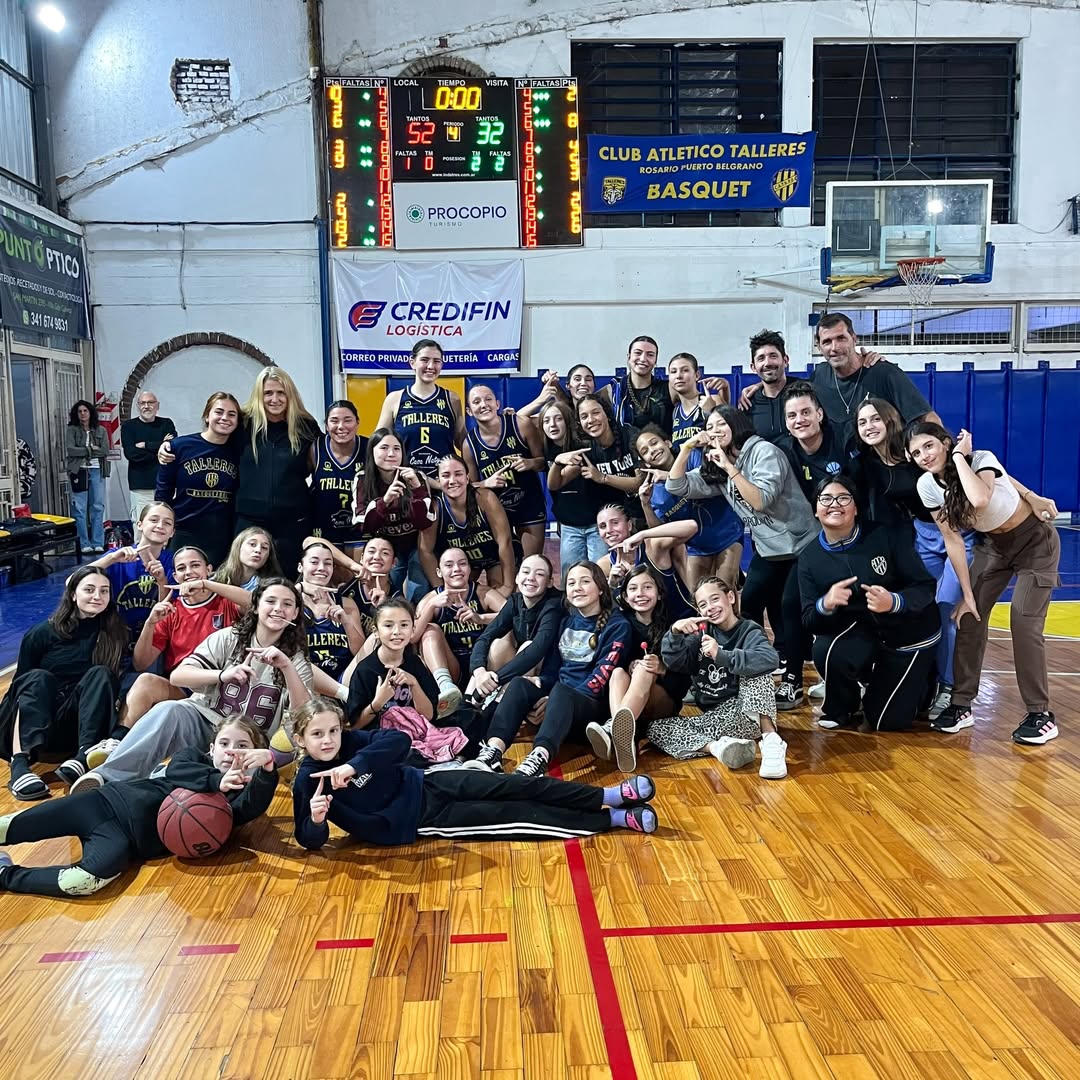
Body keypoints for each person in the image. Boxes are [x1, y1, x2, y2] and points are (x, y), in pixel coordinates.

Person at [292, 697, 660, 849]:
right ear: (300, 739)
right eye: (317, 735)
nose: (328, 740)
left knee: (516, 785)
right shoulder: (307, 781)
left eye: (333, 731)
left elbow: (398, 741)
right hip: (422, 819)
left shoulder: (351, 743)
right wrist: (317, 820)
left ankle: (607, 795)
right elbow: (308, 839)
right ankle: (612, 819)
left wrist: (354, 764)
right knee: (517, 815)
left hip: (429, 781)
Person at [69, 578, 313, 792]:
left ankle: (152, 782)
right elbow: (179, 676)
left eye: (287, 604)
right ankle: (105, 777)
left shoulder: (296, 660)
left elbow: (305, 715)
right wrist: (222, 675)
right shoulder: (228, 638)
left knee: (210, 787)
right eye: (271, 601)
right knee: (170, 710)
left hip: (249, 742)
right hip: (206, 722)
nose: (278, 609)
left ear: (295, 614)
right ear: (256, 606)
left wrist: (286, 667)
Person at [0, 717, 279, 898]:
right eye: (224, 743)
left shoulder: (233, 800)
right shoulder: (193, 759)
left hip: (123, 841)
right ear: (211, 748)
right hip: (100, 803)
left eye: (243, 746)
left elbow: (250, 807)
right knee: (7, 827)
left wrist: (267, 770)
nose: (231, 750)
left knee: (83, 882)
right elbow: (178, 770)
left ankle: (6, 875)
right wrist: (216, 781)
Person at [909, 424, 1061, 744]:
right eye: (916, 452)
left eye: (929, 446)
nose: (924, 456)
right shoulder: (927, 485)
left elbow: (980, 498)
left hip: (1035, 542)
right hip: (992, 547)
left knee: (1024, 624)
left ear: (946, 443)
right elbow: (952, 539)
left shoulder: (979, 459)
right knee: (968, 616)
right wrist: (967, 594)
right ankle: (961, 704)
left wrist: (959, 457)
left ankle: (1040, 714)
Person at [666, 407, 819, 710]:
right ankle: (741, 669)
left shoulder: (763, 452)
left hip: (803, 545)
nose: (715, 430)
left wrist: (729, 467)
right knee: (747, 602)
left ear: (736, 424)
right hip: (769, 550)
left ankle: (793, 680)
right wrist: (686, 449)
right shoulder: (716, 464)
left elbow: (760, 500)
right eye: (710, 426)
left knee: (790, 605)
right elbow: (676, 486)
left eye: (721, 424)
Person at [853, 398, 974, 718]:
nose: (869, 426)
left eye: (875, 419)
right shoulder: (867, 462)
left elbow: (980, 475)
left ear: (890, 419)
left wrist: (1030, 497)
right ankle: (923, 683)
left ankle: (948, 687)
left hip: (957, 534)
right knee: (922, 607)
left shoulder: (916, 451)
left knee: (945, 610)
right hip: (922, 537)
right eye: (862, 422)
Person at [799, 476, 941, 732]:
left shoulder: (885, 535)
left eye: (843, 498)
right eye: (826, 499)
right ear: (815, 510)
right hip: (869, 628)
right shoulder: (810, 558)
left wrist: (894, 601)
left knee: (885, 721)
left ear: (855, 508)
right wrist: (825, 604)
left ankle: (926, 681)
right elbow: (809, 619)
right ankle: (842, 706)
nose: (834, 504)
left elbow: (925, 586)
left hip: (911, 632)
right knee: (825, 648)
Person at [465, 562, 631, 778]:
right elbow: (552, 669)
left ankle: (538, 759)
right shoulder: (566, 621)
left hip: (590, 709)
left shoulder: (617, 625)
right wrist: (542, 684)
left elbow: (600, 679)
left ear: (600, 588)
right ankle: (492, 751)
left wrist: (554, 699)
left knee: (561, 692)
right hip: (557, 706)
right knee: (519, 684)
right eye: (571, 583)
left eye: (585, 582)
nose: (577, 588)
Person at [157, 368, 321, 570]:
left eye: (281, 393)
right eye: (268, 393)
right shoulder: (244, 424)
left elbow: (329, 455)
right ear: (259, 395)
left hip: (292, 522)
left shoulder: (305, 427)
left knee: (286, 579)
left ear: (290, 394)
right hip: (248, 521)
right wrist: (172, 448)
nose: (274, 399)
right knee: (244, 579)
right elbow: (212, 441)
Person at [0, 567, 127, 800]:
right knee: (38, 678)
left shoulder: (114, 632)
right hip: (38, 724)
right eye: (89, 590)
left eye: (104, 591)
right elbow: (18, 693)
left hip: (77, 729)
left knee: (101, 674)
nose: (97, 596)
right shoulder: (41, 633)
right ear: (73, 594)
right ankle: (20, 766)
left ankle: (84, 756)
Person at [646, 576, 787, 778]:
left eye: (715, 599)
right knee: (655, 728)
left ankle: (772, 741)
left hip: (750, 712)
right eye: (703, 605)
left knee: (757, 671)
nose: (710, 608)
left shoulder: (749, 630)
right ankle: (720, 748)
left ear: (730, 597)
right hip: (718, 719)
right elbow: (676, 662)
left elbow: (770, 659)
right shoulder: (701, 633)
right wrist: (675, 633)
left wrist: (721, 655)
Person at [120, 546, 250, 739]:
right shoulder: (170, 610)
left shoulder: (227, 601)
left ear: (209, 570)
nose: (188, 572)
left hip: (223, 689)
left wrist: (206, 584)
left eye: (195, 565)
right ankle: (117, 741)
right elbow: (141, 663)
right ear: (175, 576)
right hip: (184, 689)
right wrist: (150, 623)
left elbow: (254, 602)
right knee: (145, 682)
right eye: (181, 568)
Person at [740, 313, 939, 436]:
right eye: (827, 342)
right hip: (848, 472)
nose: (834, 347)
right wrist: (760, 385)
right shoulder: (820, 375)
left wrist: (941, 455)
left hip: (890, 468)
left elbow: (927, 417)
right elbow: (787, 386)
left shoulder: (884, 372)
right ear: (819, 347)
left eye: (841, 338)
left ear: (854, 338)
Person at [586, 565, 690, 773]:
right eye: (633, 588)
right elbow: (610, 662)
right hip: (629, 702)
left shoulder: (672, 626)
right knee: (617, 672)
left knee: (645, 668)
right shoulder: (621, 623)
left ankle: (613, 728)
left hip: (662, 703)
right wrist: (628, 665)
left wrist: (663, 669)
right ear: (625, 596)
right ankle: (625, 736)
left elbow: (684, 680)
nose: (640, 593)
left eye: (647, 587)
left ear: (659, 593)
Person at [635, 424, 744, 588]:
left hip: (728, 533)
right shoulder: (653, 491)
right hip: (697, 547)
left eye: (654, 443)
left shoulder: (693, 455)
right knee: (697, 595)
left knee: (723, 588)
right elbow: (659, 532)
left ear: (668, 443)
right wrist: (645, 504)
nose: (652, 450)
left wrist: (669, 477)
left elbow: (710, 478)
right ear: (645, 463)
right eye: (645, 451)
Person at [89, 502, 177, 681]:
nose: (160, 526)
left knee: (143, 682)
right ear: (139, 524)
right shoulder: (117, 556)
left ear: (172, 532)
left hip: (151, 640)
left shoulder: (174, 562)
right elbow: (71, 582)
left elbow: (168, 613)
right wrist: (111, 559)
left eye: (167, 523)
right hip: (114, 637)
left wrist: (162, 581)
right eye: (154, 520)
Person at [154, 392, 242, 566]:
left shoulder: (240, 451)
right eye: (219, 412)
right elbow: (163, 493)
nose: (225, 418)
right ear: (207, 416)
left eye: (231, 414)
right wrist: (163, 529)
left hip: (222, 536)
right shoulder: (179, 447)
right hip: (184, 531)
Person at [413, 547, 502, 717]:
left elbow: (515, 616)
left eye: (462, 564)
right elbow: (412, 637)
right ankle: (446, 686)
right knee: (430, 630)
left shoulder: (482, 593)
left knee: (504, 636)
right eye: (449, 565)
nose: (456, 569)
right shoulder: (430, 599)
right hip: (453, 667)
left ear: (469, 568)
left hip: (483, 665)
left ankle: (496, 694)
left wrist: (480, 618)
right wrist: (431, 606)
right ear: (439, 572)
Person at [466, 553, 563, 707]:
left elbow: (536, 651)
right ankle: (467, 703)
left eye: (539, 574)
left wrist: (494, 680)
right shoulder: (515, 601)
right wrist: (479, 672)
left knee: (527, 645)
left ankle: (496, 704)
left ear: (550, 582)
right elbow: (485, 637)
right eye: (526, 572)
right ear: (517, 578)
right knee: (498, 644)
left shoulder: (554, 605)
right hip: (515, 672)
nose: (531, 578)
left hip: (547, 674)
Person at [463, 384, 548, 559]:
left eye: (488, 399)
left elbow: (544, 463)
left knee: (530, 563)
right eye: (476, 402)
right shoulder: (469, 444)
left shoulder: (521, 424)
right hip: (498, 510)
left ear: (497, 404)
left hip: (529, 504)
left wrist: (530, 463)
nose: (483, 405)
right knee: (506, 567)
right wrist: (486, 483)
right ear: (469, 411)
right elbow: (469, 487)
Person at [353, 428, 435, 599]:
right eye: (384, 448)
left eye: (396, 448)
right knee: (389, 592)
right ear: (372, 450)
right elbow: (364, 526)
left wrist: (416, 489)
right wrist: (385, 501)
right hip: (386, 547)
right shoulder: (362, 478)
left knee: (418, 590)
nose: (391, 453)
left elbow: (424, 523)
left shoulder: (416, 476)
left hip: (416, 544)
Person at [419, 455, 514, 596]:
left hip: (495, 558)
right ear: (438, 481)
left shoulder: (485, 498)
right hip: (463, 564)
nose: (452, 480)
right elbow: (425, 550)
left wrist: (508, 585)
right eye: (446, 475)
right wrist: (441, 590)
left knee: (499, 595)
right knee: (461, 597)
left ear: (467, 478)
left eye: (458, 474)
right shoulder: (436, 507)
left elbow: (504, 541)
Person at [375, 339, 465, 479]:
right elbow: (378, 443)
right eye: (424, 360)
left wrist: (494, 430)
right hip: (406, 480)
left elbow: (463, 443)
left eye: (436, 361)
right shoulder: (395, 399)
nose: (431, 366)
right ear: (412, 362)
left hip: (443, 481)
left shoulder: (452, 399)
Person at [346, 598, 439, 730]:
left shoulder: (415, 663)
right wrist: (378, 703)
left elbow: (429, 716)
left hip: (413, 733)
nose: (397, 631)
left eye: (404, 625)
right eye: (388, 625)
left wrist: (414, 684)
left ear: (413, 630)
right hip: (379, 737)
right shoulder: (365, 670)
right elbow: (354, 726)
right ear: (376, 631)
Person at [597, 502, 696, 621]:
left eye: (615, 523)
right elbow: (602, 610)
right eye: (603, 526)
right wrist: (611, 586)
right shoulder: (603, 565)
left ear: (629, 525)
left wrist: (643, 534)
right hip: (641, 629)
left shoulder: (652, 547)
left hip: (682, 620)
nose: (609, 530)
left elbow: (692, 526)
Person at [543, 398, 606, 568]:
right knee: (570, 576)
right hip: (569, 525)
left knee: (599, 574)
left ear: (568, 421)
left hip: (595, 524)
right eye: (547, 421)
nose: (552, 424)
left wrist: (558, 462)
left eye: (558, 419)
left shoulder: (581, 447)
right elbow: (523, 420)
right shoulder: (546, 448)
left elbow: (554, 483)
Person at [297, 541, 365, 685]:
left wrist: (346, 623)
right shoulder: (289, 600)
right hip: (303, 679)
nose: (321, 568)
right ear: (300, 567)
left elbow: (361, 654)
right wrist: (298, 588)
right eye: (314, 562)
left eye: (327, 563)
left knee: (373, 641)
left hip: (343, 679)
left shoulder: (346, 603)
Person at [310, 400, 369, 565]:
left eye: (347, 420)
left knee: (358, 575)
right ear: (326, 426)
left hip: (359, 528)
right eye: (334, 421)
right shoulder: (316, 449)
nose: (341, 426)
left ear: (357, 423)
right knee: (330, 575)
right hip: (324, 526)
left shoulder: (370, 448)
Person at [776, 382, 853, 502]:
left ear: (819, 414)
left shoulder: (844, 438)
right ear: (786, 423)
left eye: (806, 412)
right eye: (792, 416)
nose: (799, 420)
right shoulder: (782, 451)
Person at [577, 394, 643, 522]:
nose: (590, 420)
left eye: (595, 413)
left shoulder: (631, 436)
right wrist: (558, 461)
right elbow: (554, 484)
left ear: (607, 414)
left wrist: (603, 478)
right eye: (584, 416)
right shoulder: (586, 450)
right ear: (580, 423)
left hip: (644, 512)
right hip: (613, 518)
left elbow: (640, 483)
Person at [120, 391, 175, 534]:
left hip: (165, 486)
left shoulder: (166, 424)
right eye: (142, 403)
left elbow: (171, 447)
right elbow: (131, 454)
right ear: (137, 406)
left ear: (157, 406)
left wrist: (146, 445)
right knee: (142, 527)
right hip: (141, 487)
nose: (146, 406)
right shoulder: (128, 427)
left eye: (150, 402)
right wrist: (159, 448)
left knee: (165, 527)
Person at [65, 399, 111, 554]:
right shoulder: (71, 430)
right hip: (79, 470)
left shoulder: (100, 430)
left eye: (85, 411)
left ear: (91, 413)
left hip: (97, 470)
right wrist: (91, 450)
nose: (83, 414)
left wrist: (83, 450)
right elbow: (71, 450)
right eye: (80, 411)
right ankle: (84, 543)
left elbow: (105, 450)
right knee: (79, 509)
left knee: (97, 506)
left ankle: (97, 542)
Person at [610, 335, 674, 433]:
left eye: (650, 355)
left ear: (655, 361)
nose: (643, 359)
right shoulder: (615, 389)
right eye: (638, 353)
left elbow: (691, 401)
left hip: (661, 442)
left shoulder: (668, 388)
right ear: (629, 357)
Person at [667, 352, 729, 453]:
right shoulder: (675, 411)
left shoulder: (713, 400)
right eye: (673, 371)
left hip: (709, 462)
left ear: (697, 375)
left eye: (685, 370)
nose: (678, 376)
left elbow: (727, 439)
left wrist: (711, 412)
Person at [744, 330, 791, 443]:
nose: (767, 363)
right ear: (753, 367)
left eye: (773, 356)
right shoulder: (748, 404)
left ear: (785, 361)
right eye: (761, 358)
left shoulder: (805, 391)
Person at [214, 526, 283, 592]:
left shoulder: (273, 587)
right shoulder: (215, 579)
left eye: (264, 547)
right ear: (238, 547)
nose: (258, 550)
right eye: (252, 544)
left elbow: (251, 599)